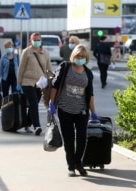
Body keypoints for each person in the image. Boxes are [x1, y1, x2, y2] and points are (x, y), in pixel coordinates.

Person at [48, 44, 98, 177]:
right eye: (78, 56)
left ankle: (78, 163)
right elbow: (55, 85)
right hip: (65, 109)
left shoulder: (88, 73)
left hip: (82, 110)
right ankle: (71, 166)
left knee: (82, 139)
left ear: (86, 57)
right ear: (73, 55)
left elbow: (90, 94)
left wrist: (93, 112)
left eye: (82, 56)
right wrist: (51, 103)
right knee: (68, 139)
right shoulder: (65, 67)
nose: (80, 58)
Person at [16, 32, 52, 135]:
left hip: (40, 83)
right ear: (30, 41)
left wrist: (52, 79)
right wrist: (19, 82)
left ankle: (27, 124)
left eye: (38, 40)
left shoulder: (45, 52)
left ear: (41, 40)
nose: (36, 42)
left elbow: (48, 68)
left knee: (34, 104)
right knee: (33, 103)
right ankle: (37, 126)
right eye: (34, 40)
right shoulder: (27, 52)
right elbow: (21, 68)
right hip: (27, 82)